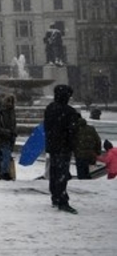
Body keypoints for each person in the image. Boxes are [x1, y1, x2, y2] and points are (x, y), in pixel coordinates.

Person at [44, 84, 82, 213]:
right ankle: (62, 200)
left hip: (52, 144)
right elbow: (72, 131)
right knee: (62, 173)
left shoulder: (50, 108)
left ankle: (55, 196)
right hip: (63, 146)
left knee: (54, 171)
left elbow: (47, 126)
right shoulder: (69, 111)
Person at [0, 94, 18, 180]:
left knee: (6, 155)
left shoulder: (10, 111)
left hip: (9, 136)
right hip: (2, 137)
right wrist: (8, 132)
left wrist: (13, 132)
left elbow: (13, 123)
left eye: (12, 102)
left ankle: (2, 172)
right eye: (9, 101)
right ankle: (3, 172)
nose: (10, 104)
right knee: (5, 154)